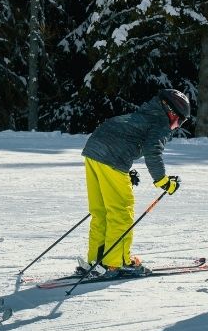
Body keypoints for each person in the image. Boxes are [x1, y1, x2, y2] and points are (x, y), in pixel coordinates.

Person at [79, 89, 190, 276]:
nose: (177, 126)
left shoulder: (144, 115)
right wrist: (163, 181)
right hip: (111, 159)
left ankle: (95, 260)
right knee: (121, 212)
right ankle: (116, 263)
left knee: (101, 212)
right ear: (172, 112)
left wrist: (124, 171)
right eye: (180, 121)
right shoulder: (160, 121)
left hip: (93, 153)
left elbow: (124, 138)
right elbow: (153, 151)